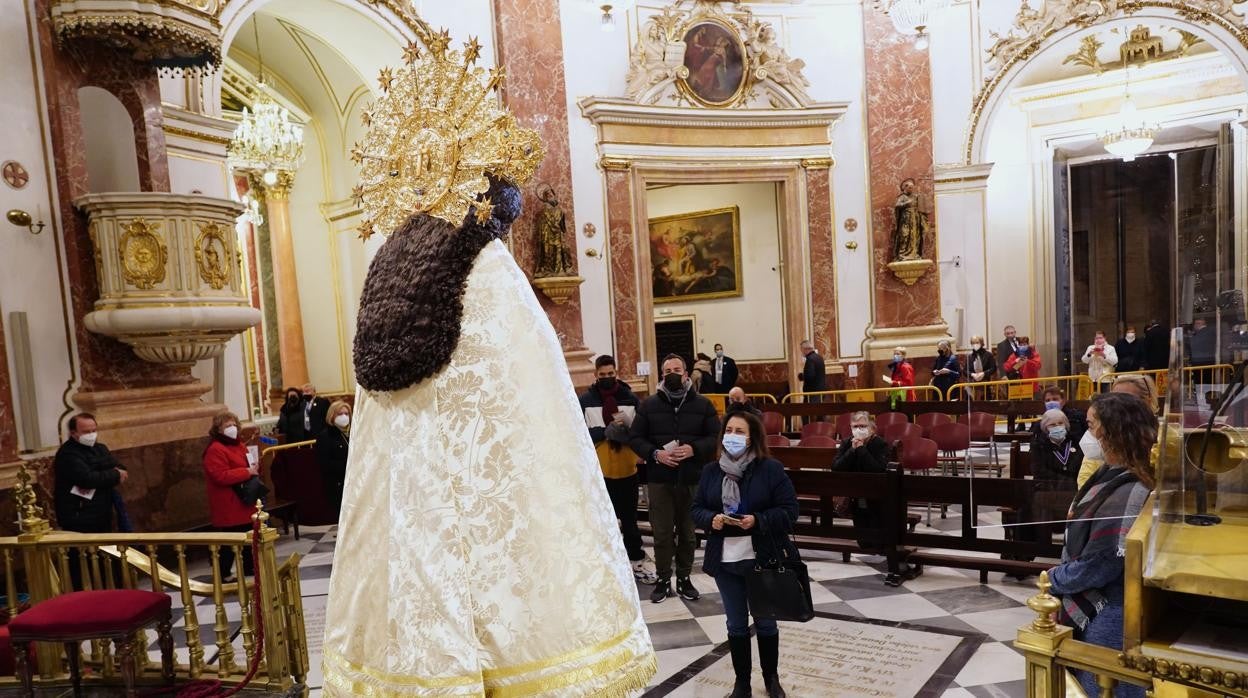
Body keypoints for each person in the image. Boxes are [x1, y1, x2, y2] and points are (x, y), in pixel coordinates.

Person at [324, 172, 655, 694]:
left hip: (403, 514)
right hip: (489, 506)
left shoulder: (386, 270)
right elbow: (534, 410)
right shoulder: (486, 264)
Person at [1048, 393, 1155, 698]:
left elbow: (1106, 561)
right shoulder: (1108, 473)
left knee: (1100, 688)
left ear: (1113, 432)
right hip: (1102, 601)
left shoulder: (1132, 488)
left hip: (1110, 611)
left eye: (1092, 425)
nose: (1088, 434)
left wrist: (1054, 579)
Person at [691, 411, 798, 698]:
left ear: (752, 437)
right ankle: (742, 683)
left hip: (761, 557)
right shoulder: (711, 471)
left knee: (765, 621)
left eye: (740, 431)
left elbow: (790, 511)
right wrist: (710, 518)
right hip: (725, 560)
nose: (733, 436)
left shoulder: (770, 469)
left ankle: (771, 679)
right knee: (736, 624)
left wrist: (758, 520)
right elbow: (696, 508)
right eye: (729, 430)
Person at [629, 353, 720, 604]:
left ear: (686, 373)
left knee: (688, 533)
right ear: (662, 374)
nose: (672, 373)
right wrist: (655, 454)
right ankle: (662, 579)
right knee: (661, 533)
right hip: (660, 479)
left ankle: (684, 578)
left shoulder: (702, 405)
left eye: (677, 369)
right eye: (667, 369)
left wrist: (694, 449)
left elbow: (714, 437)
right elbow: (635, 438)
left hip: (691, 478)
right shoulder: (648, 405)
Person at [579, 355, 657, 585]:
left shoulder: (630, 399)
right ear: (595, 375)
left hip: (627, 470)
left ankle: (636, 560)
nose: (606, 378)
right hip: (600, 473)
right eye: (602, 375)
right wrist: (605, 432)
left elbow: (642, 433)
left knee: (630, 520)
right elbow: (580, 435)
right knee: (604, 522)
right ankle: (609, 565)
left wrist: (626, 433)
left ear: (616, 373)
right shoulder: (585, 401)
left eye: (610, 374)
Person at [202, 411, 258, 582]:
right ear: (218, 429)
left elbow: (249, 463)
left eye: (233, 424)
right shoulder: (215, 449)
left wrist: (254, 467)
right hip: (229, 501)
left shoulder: (239, 444)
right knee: (229, 541)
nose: (232, 428)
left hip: (244, 499)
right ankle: (223, 574)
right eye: (227, 426)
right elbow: (220, 476)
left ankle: (250, 568)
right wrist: (246, 472)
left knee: (249, 535)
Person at [53, 413, 128, 534]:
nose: (92, 435)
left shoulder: (100, 448)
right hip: (79, 514)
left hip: (102, 510)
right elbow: (87, 479)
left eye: (94, 430)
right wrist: (114, 474)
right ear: (73, 433)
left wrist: (108, 472)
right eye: (86, 432)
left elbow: (120, 467)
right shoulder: (67, 453)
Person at [832, 411, 890, 552]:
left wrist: (862, 449)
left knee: (878, 542)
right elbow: (836, 467)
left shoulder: (880, 444)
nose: (858, 430)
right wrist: (852, 450)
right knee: (864, 542)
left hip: (876, 496)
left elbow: (877, 470)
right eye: (855, 426)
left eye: (863, 426)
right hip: (855, 494)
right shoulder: (847, 443)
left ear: (872, 428)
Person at [315, 401, 351, 519]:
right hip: (337, 483)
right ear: (332, 416)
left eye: (346, 414)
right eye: (340, 414)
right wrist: (348, 465)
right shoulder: (325, 436)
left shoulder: (352, 433)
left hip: (353, 480)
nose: (344, 417)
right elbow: (324, 463)